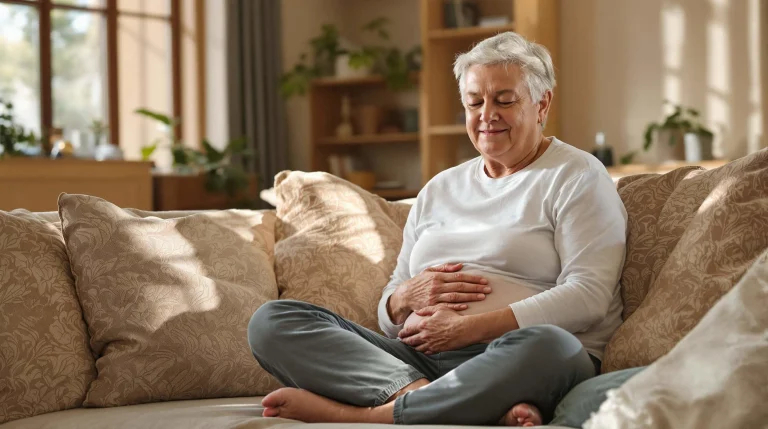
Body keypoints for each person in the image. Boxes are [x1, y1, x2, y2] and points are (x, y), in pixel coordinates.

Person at [248, 31, 627, 427]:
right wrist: (402, 298)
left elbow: (589, 296)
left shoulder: (576, 175)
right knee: (273, 322)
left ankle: (371, 414)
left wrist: (467, 329)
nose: (487, 115)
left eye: (504, 100)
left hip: (518, 354)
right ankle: (433, 398)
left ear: (541, 103)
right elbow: (387, 315)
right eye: (474, 102)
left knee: (552, 347)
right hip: (419, 361)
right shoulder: (439, 189)